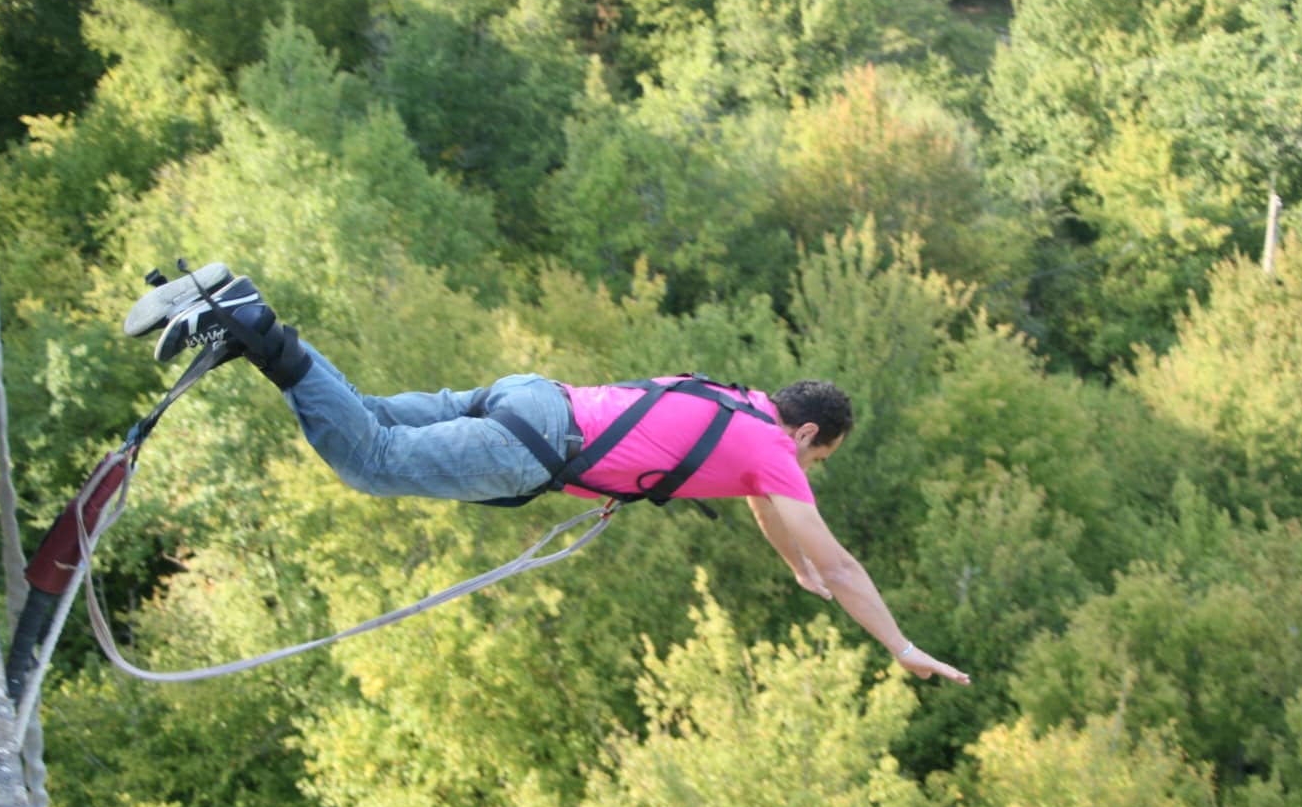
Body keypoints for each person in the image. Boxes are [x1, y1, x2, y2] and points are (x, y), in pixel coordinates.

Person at [125, 264, 969, 685]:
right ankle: (247, 322)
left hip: (533, 394)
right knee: (373, 462)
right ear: (811, 434)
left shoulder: (739, 408)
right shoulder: (775, 453)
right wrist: (898, 645)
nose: (807, 476)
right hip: (533, 448)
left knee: (371, 414)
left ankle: (235, 312)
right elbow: (842, 561)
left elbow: (777, 520)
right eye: (819, 459)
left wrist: (793, 565)